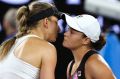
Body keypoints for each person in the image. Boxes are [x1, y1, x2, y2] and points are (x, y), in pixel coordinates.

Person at [0, 1, 60, 79]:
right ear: (46, 22)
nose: (59, 29)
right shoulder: (48, 48)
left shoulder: (9, 45)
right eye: (56, 22)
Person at [61, 14, 116, 79]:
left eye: (72, 32)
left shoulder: (94, 63)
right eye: (68, 29)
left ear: (86, 40)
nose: (65, 34)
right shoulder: (71, 65)